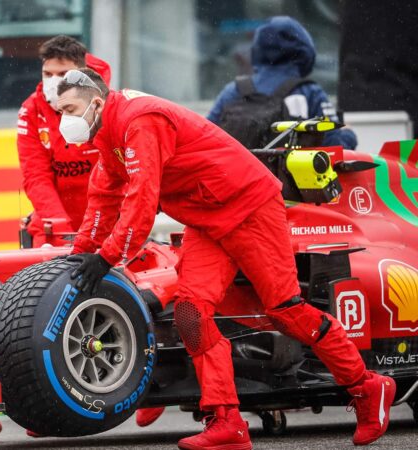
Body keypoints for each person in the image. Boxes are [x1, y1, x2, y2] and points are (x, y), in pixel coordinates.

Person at [58, 68, 394, 450]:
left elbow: (141, 202)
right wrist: (80, 255)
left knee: (285, 311)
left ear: (96, 102)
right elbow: (103, 200)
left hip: (250, 206)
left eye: (69, 109)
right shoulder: (107, 135)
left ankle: (367, 387)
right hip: (207, 219)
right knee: (190, 313)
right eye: (59, 111)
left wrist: (105, 258)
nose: (64, 120)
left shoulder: (140, 120)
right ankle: (226, 421)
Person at [16, 35, 111, 247]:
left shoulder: (103, 102)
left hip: (106, 217)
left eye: (63, 74)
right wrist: (61, 232)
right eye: (47, 74)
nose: (54, 81)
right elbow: (36, 175)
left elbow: (117, 172)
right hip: (53, 221)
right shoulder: (30, 110)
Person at [208, 16, 357, 149]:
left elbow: (205, 140)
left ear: (257, 49)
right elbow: (334, 150)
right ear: (305, 50)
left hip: (240, 179)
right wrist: (348, 134)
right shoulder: (310, 93)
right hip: (290, 180)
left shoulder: (233, 91)